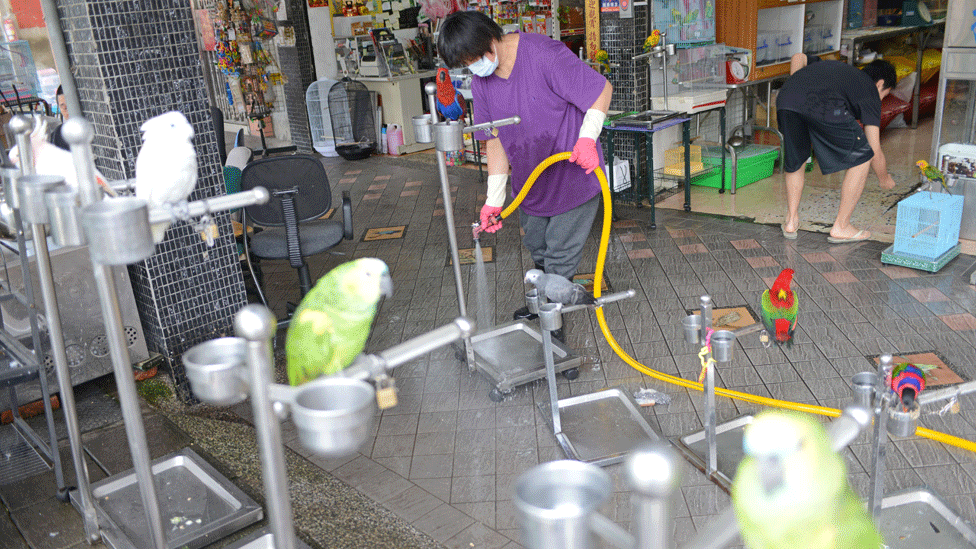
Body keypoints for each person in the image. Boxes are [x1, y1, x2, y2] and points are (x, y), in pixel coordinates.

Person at [437, 11, 612, 327]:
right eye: (465, 64)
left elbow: (600, 90)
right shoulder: (482, 83)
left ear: (490, 39)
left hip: (572, 174)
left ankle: (553, 330)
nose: (474, 67)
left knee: (560, 257)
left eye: (474, 58)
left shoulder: (543, 54)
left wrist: (587, 139)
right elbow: (494, 139)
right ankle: (543, 303)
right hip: (531, 182)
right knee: (538, 248)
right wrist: (494, 200)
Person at [777, 53, 897, 243]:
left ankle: (791, 221)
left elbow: (798, 57)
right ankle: (842, 226)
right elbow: (874, 149)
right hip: (823, 105)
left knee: (797, 159)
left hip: (787, 99)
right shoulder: (870, 91)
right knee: (862, 157)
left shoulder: (838, 70)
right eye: (885, 94)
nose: (881, 99)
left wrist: (797, 87)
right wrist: (884, 179)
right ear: (880, 83)